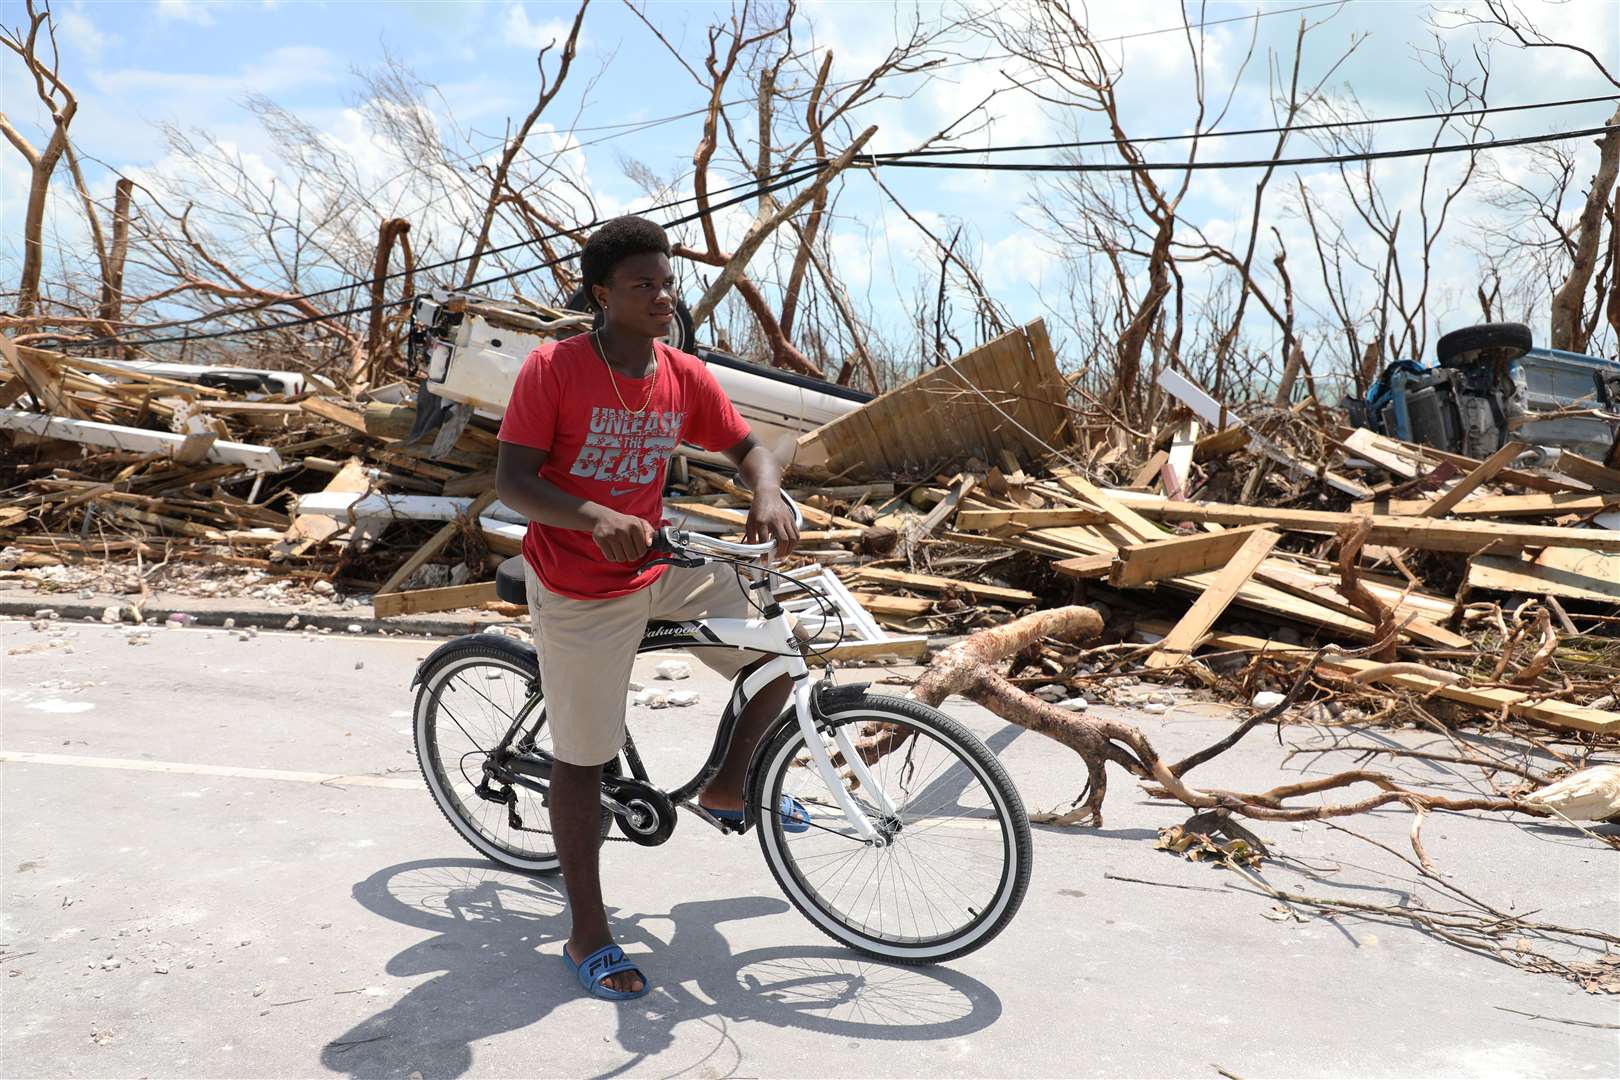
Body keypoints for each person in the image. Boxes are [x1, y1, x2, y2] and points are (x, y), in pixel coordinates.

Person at [494, 216, 800, 1001]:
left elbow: (749, 448)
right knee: (584, 759)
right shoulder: (553, 369)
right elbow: (514, 483)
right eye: (643, 285)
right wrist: (593, 516)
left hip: (657, 564)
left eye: (667, 282)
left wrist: (766, 491)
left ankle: (728, 787)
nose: (664, 296)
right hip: (577, 582)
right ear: (602, 295)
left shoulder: (679, 372)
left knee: (776, 653)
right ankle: (587, 934)